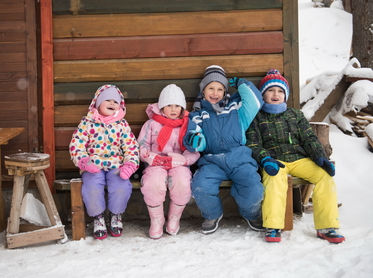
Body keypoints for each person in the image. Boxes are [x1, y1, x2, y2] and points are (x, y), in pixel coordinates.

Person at [246, 69, 345, 243]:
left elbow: (309, 138)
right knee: (274, 179)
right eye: (271, 90)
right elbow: (253, 143)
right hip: (274, 160)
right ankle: (273, 226)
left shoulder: (295, 115)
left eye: (280, 91)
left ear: (285, 95)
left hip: (299, 159)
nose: (275, 94)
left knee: (324, 176)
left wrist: (320, 157)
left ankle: (327, 226)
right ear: (263, 94)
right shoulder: (257, 117)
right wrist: (265, 158)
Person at [183, 65, 265, 234]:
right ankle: (212, 214)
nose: (215, 92)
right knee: (201, 186)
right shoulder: (198, 114)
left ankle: (251, 213)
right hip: (212, 160)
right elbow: (195, 136)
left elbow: (256, 101)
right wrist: (196, 141)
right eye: (211, 88)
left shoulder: (236, 108)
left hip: (239, 158)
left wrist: (242, 84)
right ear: (203, 90)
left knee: (253, 186)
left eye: (220, 88)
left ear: (225, 91)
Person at [69, 84, 140, 240]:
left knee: (121, 185)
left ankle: (116, 214)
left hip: (116, 166)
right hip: (93, 166)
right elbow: (77, 143)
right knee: (92, 187)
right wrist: (83, 161)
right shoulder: (87, 123)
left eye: (116, 102)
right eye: (107, 100)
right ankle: (98, 217)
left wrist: (130, 164)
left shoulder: (122, 125)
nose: (112, 104)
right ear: (98, 103)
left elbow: (131, 147)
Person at [137, 84, 200, 239]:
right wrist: (150, 157)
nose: (173, 109)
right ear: (161, 107)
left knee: (182, 183)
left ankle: (174, 218)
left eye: (177, 106)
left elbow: (194, 148)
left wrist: (185, 159)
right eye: (169, 105)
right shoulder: (151, 124)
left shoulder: (188, 125)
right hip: (155, 163)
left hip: (178, 163)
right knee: (154, 183)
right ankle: (157, 220)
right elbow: (141, 145)